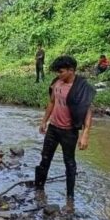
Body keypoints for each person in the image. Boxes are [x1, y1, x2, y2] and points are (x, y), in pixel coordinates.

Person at [35, 55, 95, 208]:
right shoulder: (56, 83)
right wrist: (44, 121)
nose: (58, 74)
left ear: (71, 70)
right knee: (45, 159)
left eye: (61, 71)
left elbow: (87, 110)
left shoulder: (82, 87)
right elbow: (52, 102)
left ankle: (70, 198)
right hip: (53, 128)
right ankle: (38, 189)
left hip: (69, 131)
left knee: (69, 163)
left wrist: (85, 133)